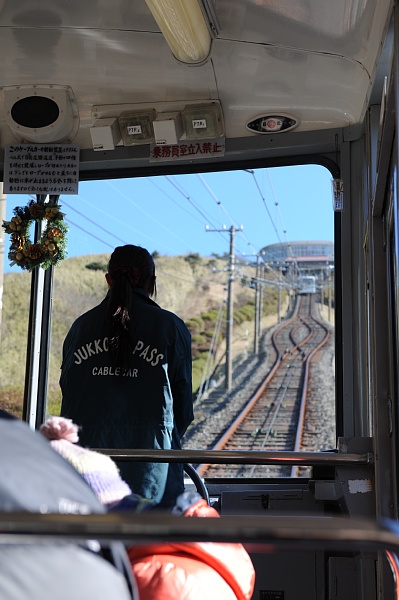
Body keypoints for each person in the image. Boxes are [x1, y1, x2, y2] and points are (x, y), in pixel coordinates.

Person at [60, 244, 194, 507]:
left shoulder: (81, 327)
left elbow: (69, 392)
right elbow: (183, 410)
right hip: (153, 470)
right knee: (147, 544)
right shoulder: (171, 327)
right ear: (151, 282)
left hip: (85, 468)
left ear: (108, 279)